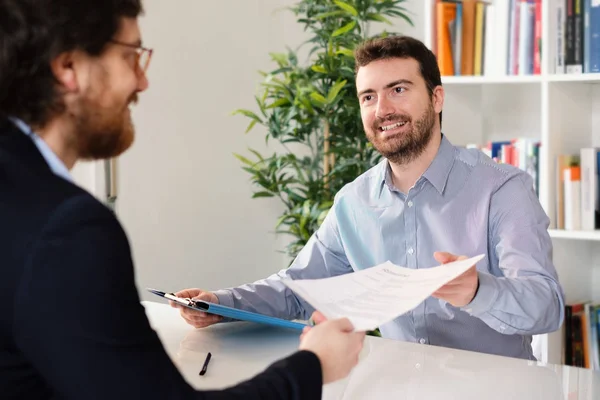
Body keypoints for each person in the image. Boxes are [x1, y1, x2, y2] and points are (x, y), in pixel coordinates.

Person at [0, 0, 365, 399]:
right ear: (67, 67)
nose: (143, 82)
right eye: (131, 56)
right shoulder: (66, 230)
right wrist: (313, 365)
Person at [174, 35, 565, 361]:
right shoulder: (353, 202)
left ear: (437, 98)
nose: (382, 109)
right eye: (368, 97)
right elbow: (298, 287)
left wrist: (477, 291)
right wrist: (218, 305)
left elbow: (546, 307)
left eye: (398, 89)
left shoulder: (502, 188)